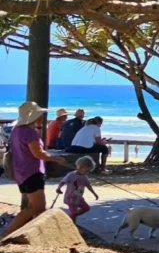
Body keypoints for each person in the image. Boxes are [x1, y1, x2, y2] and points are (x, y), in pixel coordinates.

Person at [2, 102, 67, 238]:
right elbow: (38, 153)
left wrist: (37, 126)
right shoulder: (29, 132)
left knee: (40, 207)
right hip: (32, 172)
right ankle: (8, 233)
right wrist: (56, 159)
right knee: (35, 207)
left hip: (22, 172)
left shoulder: (16, 130)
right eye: (40, 114)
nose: (42, 116)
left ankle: (39, 234)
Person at [56, 157, 99, 223]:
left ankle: (71, 216)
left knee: (86, 208)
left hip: (79, 198)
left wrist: (94, 193)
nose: (87, 172)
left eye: (88, 171)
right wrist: (59, 188)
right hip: (70, 198)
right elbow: (63, 181)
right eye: (86, 170)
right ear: (80, 166)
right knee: (74, 213)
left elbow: (88, 185)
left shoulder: (84, 176)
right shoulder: (71, 175)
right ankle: (74, 226)